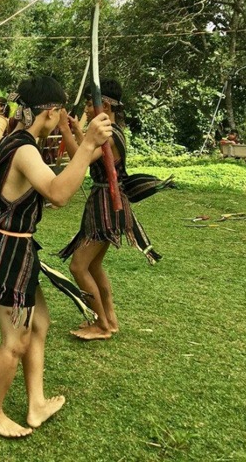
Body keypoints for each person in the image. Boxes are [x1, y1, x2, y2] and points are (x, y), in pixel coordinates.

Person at [0, 75, 112, 439]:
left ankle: (35, 403)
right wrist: (87, 148)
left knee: (40, 324)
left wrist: (88, 145)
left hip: (17, 247)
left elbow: (54, 181)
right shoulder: (24, 149)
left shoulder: (16, 139)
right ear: (50, 112)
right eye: (60, 114)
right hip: (10, 253)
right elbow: (58, 194)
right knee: (15, 340)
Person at [58, 78, 173, 340]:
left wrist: (66, 131)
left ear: (105, 105)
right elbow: (88, 155)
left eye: (90, 104)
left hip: (107, 204)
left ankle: (101, 325)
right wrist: (77, 131)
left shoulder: (109, 134)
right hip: (106, 200)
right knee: (94, 266)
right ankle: (110, 319)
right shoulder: (110, 131)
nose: (87, 110)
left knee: (78, 266)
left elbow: (82, 158)